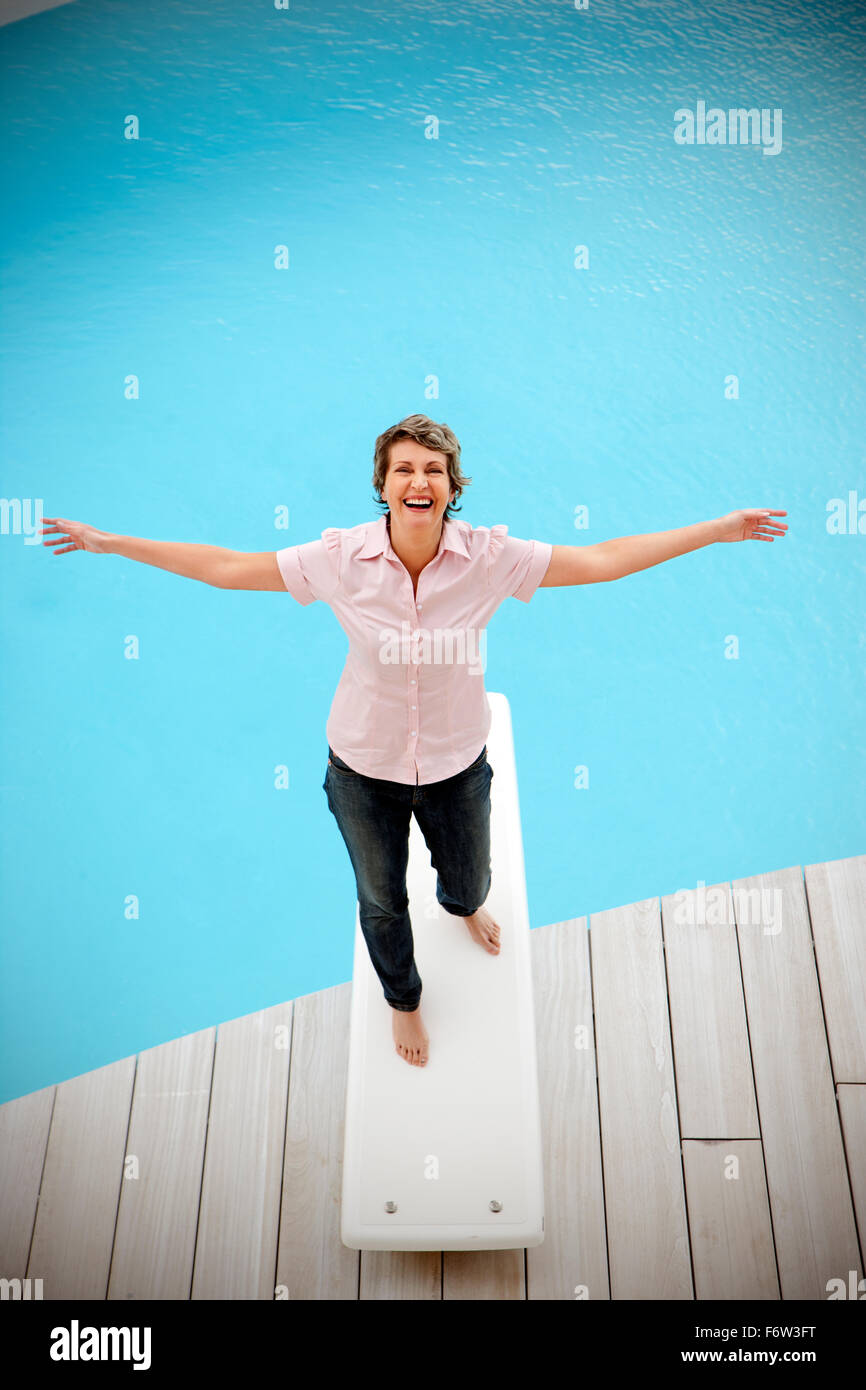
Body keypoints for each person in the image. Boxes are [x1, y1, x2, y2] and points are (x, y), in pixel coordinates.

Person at [40, 413, 788, 1069]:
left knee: (471, 882)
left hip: (460, 762)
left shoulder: (492, 558)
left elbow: (602, 561)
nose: (419, 480)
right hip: (364, 766)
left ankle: (464, 908)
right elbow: (230, 568)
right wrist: (111, 543)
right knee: (381, 900)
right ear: (384, 486)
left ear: (453, 489)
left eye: (433, 470)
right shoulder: (340, 559)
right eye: (404, 469)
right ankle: (404, 999)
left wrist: (717, 530)